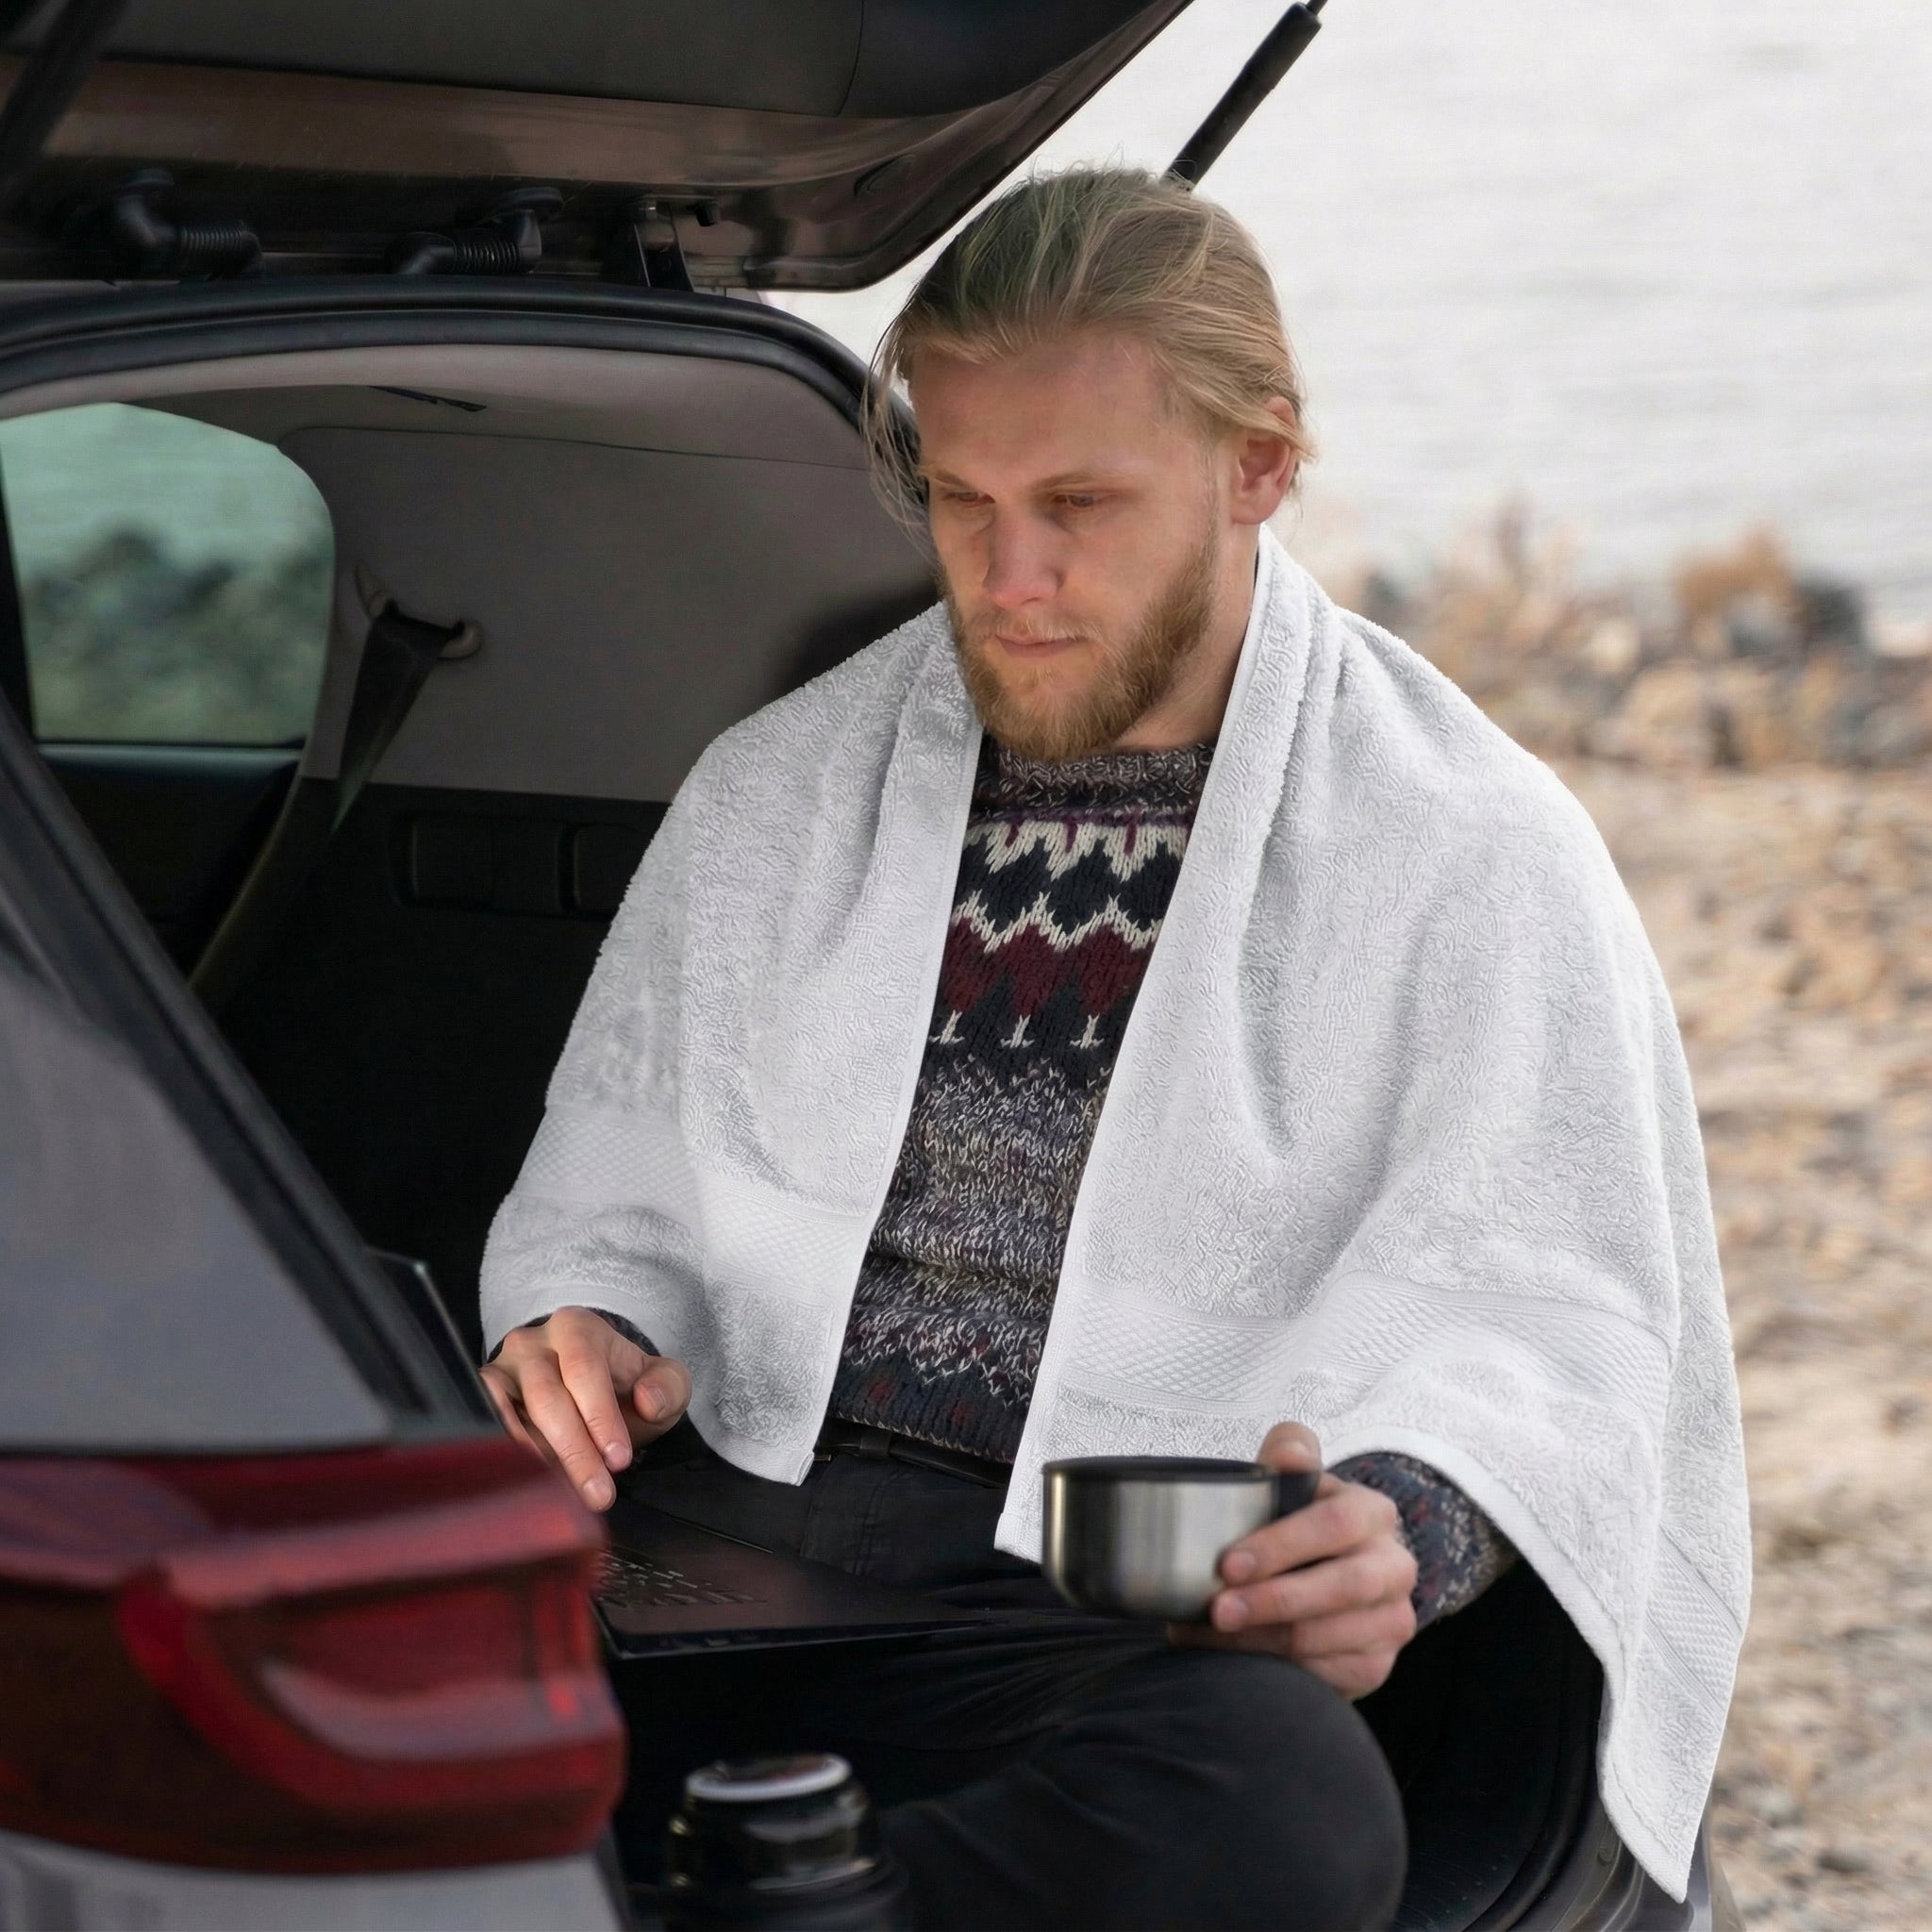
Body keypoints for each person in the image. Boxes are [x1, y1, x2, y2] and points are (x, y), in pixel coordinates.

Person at [479, 168, 1750, 1931]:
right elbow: (615, 1185)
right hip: (728, 1551)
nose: (1010, 577)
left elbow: (1539, 1310)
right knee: (316, 1685)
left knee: (1279, 1798)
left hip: (1089, 1623)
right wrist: (593, 1324)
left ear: (1259, 467)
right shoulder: (778, 785)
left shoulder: (1469, 840)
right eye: (962, 499)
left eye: (1079, 503)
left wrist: (1398, 1532)